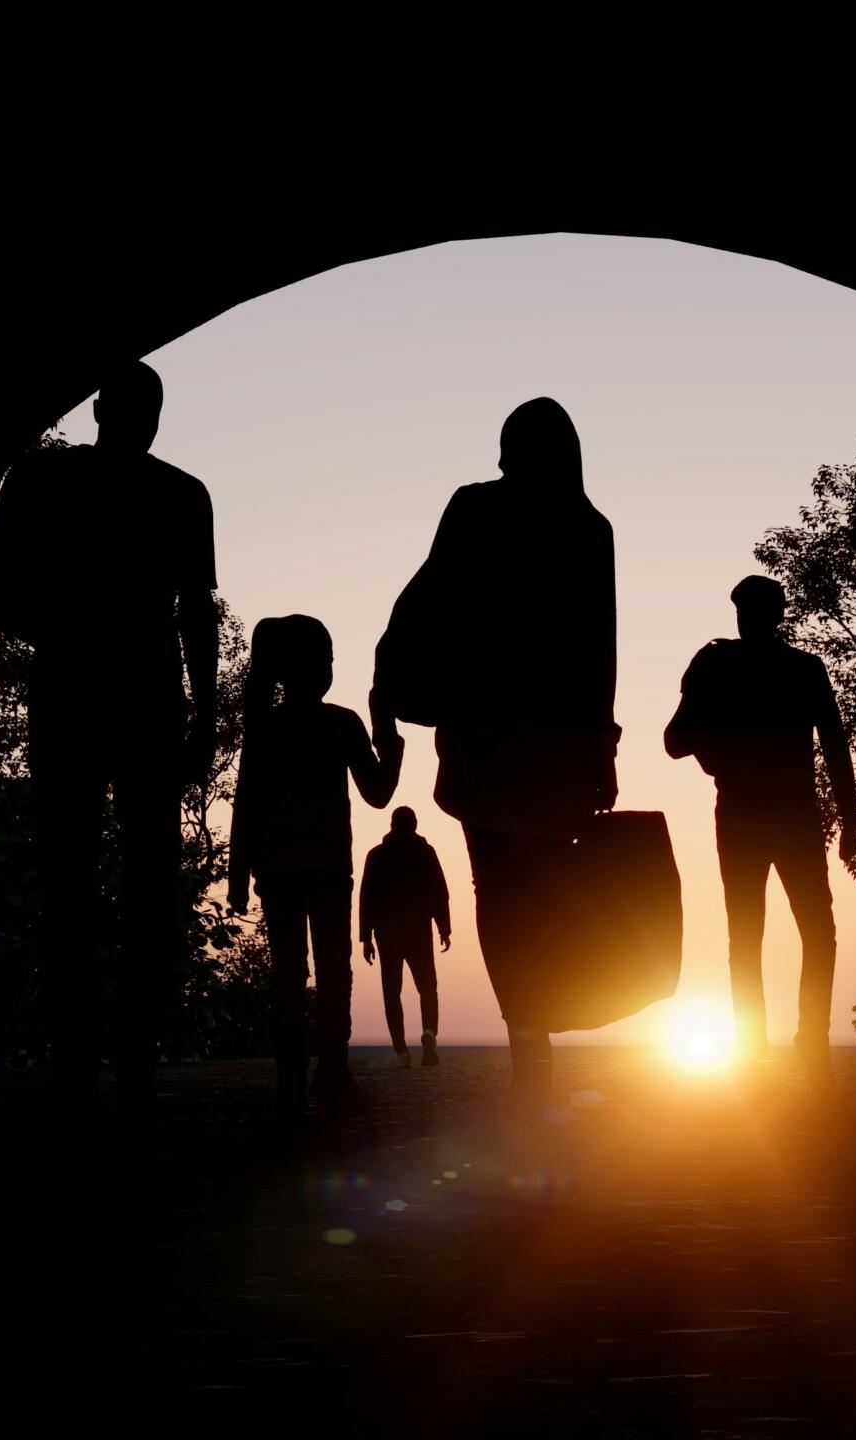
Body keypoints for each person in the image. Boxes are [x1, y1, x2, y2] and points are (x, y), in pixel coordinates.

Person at [0, 361, 219, 1116]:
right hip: (133, 694)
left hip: (82, 691)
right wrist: (205, 712)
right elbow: (195, 612)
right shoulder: (178, 493)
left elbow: (1, 592)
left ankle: (86, 1066)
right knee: (131, 881)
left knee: (79, 880)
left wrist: (65, 636)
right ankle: (119, 1065)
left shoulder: (45, 479)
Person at [372, 397, 619, 1106]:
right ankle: (535, 1036)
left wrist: (388, 685)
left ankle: (527, 1041)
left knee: (501, 892)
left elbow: (423, 600)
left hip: (486, 737)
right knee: (539, 894)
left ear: (510, 448)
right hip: (555, 745)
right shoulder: (588, 527)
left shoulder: (476, 508)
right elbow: (597, 648)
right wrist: (602, 747)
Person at [663, 576, 856, 1084]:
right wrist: (849, 818)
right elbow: (676, 740)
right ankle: (779, 1047)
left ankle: (796, 1045)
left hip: (769, 816)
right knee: (784, 933)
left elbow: (834, 744)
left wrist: (851, 817)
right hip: (768, 815)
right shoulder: (765, 667)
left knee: (783, 933)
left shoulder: (764, 667)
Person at [229, 615, 403, 1113]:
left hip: (279, 871)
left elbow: (246, 803)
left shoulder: (265, 728)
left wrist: (239, 874)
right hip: (325, 870)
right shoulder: (341, 723)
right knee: (331, 974)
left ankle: (294, 1080)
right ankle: (330, 1073)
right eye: (326, 659)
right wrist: (386, 735)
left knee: (289, 976)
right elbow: (379, 792)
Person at [360, 806, 452, 1067]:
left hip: (387, 933)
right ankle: (429, 1032)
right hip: (418, 929)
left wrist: (366, 936)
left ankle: (401, 1051)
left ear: (392, 825)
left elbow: (367, 897)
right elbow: (440, 892)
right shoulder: (425, 852)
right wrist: (444, 928)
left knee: (392, 992)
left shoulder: (376, 855)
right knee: (428, 987)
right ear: (415, 825)